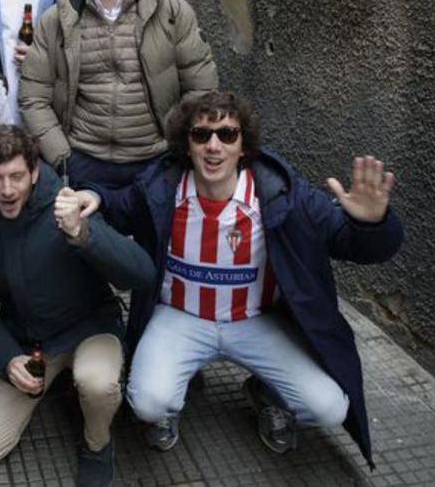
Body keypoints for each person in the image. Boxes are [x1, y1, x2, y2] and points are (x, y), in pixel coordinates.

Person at [78, 91, 403, 469]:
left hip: (254, 321)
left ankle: (267, 392)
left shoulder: (281, 193)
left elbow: (350, 242)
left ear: (243, 144)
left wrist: (371, 223)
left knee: (329, 408)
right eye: (201, 135)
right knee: (148, 402)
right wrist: (93, 195)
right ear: (187, 143)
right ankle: (172, 400)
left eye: (227, 134)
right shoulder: (164, 186)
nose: (213, 146)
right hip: (180, 317)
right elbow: (121, 206)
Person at [0, 125, 154, 486]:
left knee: (97, 383)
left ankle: (97, 444)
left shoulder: (65, 203)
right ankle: (59, 383)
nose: (6, 190)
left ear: (35, 172)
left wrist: (85, 235)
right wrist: (6, 357)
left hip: (89, 328)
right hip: (31, 342)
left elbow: (141, 274)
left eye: (16, 177)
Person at [19, 0, 217, 189]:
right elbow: (33, 96)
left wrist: (178, 145)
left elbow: (201, 88)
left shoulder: (171, 13)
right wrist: (62, 157)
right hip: (84, 162)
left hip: (156, 161)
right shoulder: (56, 21)